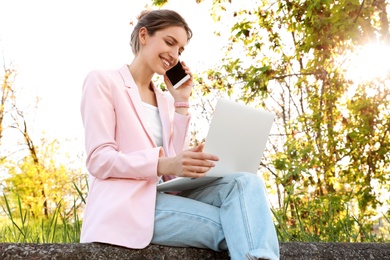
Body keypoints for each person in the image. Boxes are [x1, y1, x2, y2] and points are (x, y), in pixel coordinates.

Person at [80, 9, 280, 260]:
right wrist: (164, 162)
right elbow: (99, 159)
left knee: (246, 182)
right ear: (144, 35)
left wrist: (181, 102)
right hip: (126, 205)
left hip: (163, 196)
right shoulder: (103, 81)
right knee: (242, 226)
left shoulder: (164, 100)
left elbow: (172, 173)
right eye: (169, 42)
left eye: (180, 50)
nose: (174, 55)